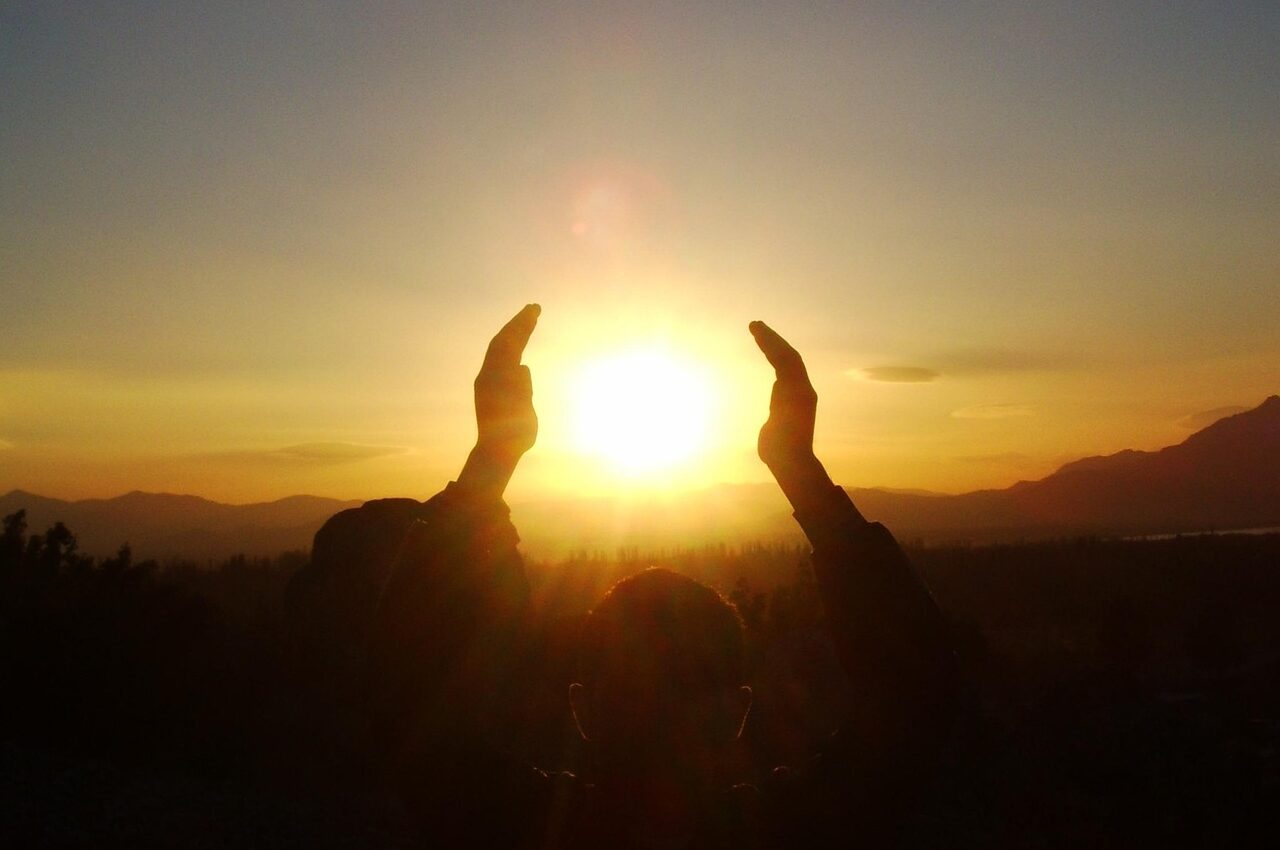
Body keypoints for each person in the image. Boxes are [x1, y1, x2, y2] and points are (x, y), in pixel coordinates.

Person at [315, 304, 959, 848]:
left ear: (582, 708)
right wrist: (801, 474)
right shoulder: (802, 828)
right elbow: (921, 701)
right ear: (738, 712)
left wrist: (491, 459)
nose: (660, 717)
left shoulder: (507, 824)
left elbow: (405, 701)